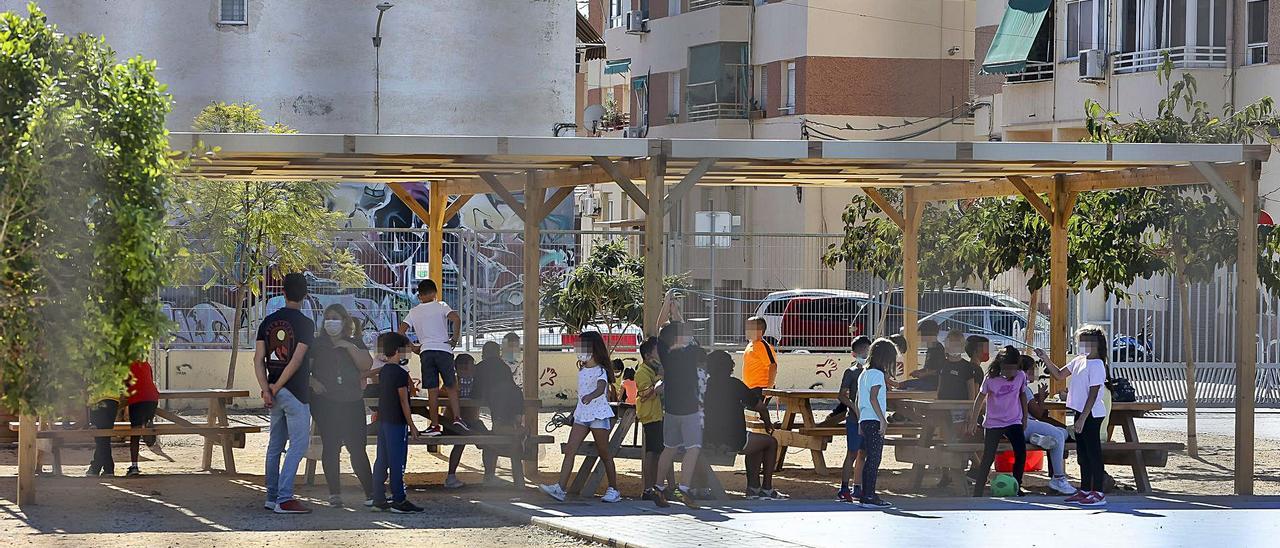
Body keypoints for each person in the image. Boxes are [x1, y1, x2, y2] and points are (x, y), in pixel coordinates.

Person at [255, 272, 315, 514]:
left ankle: (272, 496)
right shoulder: (306, 324)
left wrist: (267, 389)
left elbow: (258, 359)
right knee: (298, 446)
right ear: (305, 295)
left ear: (282, 292)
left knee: (275, 445)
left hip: (273, 391)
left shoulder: (267, 322)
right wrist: (278, 386)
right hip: (295, 391)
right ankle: (285, 497)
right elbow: (297, 360)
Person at [540, 331, 621, 503]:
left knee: (604, 452)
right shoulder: (582, 369)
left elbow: (601, 387)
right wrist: (573, 413)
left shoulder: (601, 370)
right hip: (582, 415)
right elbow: (581, 395)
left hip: (598, 414)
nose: (578, 350)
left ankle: (614, 489)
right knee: (570, 449)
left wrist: (592, 396)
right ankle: (561, 488)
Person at [309, 304, 375, 507]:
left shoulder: (355, 342)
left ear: (345, 321)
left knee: (357, 448)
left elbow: (367, 364)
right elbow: (305, 369)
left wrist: (349, 347)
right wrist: (313, 382)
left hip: (352, 402)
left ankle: (371, 494)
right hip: (325, 403)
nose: (331, 322)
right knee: (331, 446)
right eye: (328, 318)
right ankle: (334, 493)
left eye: (335, 318)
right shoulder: (317, 344)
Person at [1037, 325, 1110, 507]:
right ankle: (1085, 489)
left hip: (1091, 414)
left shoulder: (1098, 364)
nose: (1082, 345)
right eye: (1081, 341)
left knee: (1093, 453)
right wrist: (1045, 358)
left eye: (1086, 341)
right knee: (1082, 454)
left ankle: (1098, 492)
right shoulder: (1079, 360)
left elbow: (1094, 393)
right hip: (1079, 412)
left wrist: (1083, 418)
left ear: (1097, 344)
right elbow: (1059, 374)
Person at [703, 350, 784, 500]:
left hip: (708, 437)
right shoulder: (735, 385)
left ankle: (753, 488)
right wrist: (768, 424)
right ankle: (766, 488)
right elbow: (761, 408)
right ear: (730, 367)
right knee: (770, 442)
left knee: (757, 444)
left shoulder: (705, 386)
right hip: (732, 439)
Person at [651, 320, 709, 508]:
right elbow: (692, 339)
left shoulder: (665, 355)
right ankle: (683, 488)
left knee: (669, 448)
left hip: (671, 410)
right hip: (689, 410)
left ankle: (658, 487)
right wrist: (676, 313)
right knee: (693, 448)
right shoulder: (690, 353)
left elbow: (659, 329)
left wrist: (668, 303)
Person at [399, 278, 465, 436]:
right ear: (435, 293)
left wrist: (413, 346)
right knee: (451, 386)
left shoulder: (414, 311)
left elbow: (401, 331)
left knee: (432, 390)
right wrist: (454, 339)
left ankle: (434, 425)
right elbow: (456, 319)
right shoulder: (441, 305)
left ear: (419, 296)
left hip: (426, 351)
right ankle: (457, 417)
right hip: (443, 349)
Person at [370, 332, 424, 513]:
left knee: (382, 460)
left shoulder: (384, 371)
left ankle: (378, 497)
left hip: (384, 420)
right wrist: (413, 425)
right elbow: (403, 401)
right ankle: (399, 499)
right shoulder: (400, 373)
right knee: (397, 461)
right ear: (398, 351)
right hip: (397, 422)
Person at [967, 346, 1030, 497]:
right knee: (988, 456)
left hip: (1013, 420)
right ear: (1000, 366)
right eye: (1007, 369)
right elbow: (980, 398)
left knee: (1021, 453)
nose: (1010, 373)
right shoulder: (990, 378)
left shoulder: (1021, 376)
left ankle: (1016, 484)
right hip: (994, 422)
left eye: (1013, 369)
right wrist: (973, 421)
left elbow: (1022, 395)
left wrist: (1025, 417)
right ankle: (979, 489)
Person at [935, 332, 986, 487]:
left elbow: (971, 392)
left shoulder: (967, 367)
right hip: (943, 408)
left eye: (957, 344)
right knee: (943, 438)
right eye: (951, 343)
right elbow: (939, 386)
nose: (953, 347)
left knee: (959, 439)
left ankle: (979, 467)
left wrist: (971, 412)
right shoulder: (942, 365)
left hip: (960, 409)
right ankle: (946, 474)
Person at [472, 341, 527, 486]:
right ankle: (519, 431)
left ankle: (489, 476)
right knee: (506, 432)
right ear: (499, 353)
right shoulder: (504, 367)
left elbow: (475, 393)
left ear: (484, 354)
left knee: (493, 434)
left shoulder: (480, 367)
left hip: (498, 398)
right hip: (516, 396)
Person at [1019, 354, 1075, 495]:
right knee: (1059, 435)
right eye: (1032, 369)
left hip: (1026, 426)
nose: (1035, 372)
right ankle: (1058, 478)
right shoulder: (1024, 388)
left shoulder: (1022, 387)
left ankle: (1036, 438)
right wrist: (1042, 398)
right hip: (1025, 425)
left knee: (1061, 432)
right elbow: (1038, 413)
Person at [855, 338, 896, 508]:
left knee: (869, 458)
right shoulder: (878, 375)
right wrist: (883, 419)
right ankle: (869, 495)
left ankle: (867, 493)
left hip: (865, 419)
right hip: (874, 420)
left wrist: (859, 421)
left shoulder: (864, 373)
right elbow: (873, 398)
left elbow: (859, 400)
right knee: (874, 458)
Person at [635, 336, 673, 506]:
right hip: (651, 417)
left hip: (660, 415)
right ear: (648, 355)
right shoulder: (642, 372)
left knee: (660, 451)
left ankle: (660, 487)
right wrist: (657, 387)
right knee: (653, 452)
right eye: (658, 351)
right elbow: (644, 394)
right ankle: (649, 488)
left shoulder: (657, 370)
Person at [836, 336, 872, 502]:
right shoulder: (850, 372)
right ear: (854, 354)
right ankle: (844, 487)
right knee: (852, 453)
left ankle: (858, 486)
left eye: (867, 350)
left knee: (864, 453)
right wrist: (854, 407)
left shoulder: (873, 372)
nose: (865, 353)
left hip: (869, 419)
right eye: (861, 351)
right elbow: (842, 395)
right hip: (854, 420)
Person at [444, 353, 486, 489]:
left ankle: (489, 475)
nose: (474, 369)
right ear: (462, 368)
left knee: (489, 439)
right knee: (461, 441)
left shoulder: (475, 382)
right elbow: (442, 394)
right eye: (471, 366)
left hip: (470, 422)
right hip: (454, 423)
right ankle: (451, 477)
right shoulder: (452, 383)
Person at [124, 360, 164, 476]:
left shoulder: (126, 365)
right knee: (145, 422)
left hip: (137, 398)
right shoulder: (146, 363)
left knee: (135, 432)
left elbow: (126, 384)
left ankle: (134, 466)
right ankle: (148, 426)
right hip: (152, 397)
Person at [900, 319, 945, 391]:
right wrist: (919, 372)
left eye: (922, 335)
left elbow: (940, 370)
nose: (921, 338)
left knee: (905, 385)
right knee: (905, 384)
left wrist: (923, 374)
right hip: (926, 381)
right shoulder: (930, 348)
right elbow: (929, 368)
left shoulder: (938, 348)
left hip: (933, 383)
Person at [742, 316, 778, 402]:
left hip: (761, 388)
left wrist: (769, 389)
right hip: (751, 388)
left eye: (750, 328)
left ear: (760, 330)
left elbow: (773, 366)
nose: (747, 330)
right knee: (753, 414)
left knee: (758, 413)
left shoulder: (762, 345)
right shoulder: (751, 344)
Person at [86, 394, 120, 477]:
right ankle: (106, 468)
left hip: (98, 399)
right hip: (113, 400)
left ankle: (98, 468)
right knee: (105, 436)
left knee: (100, 437)